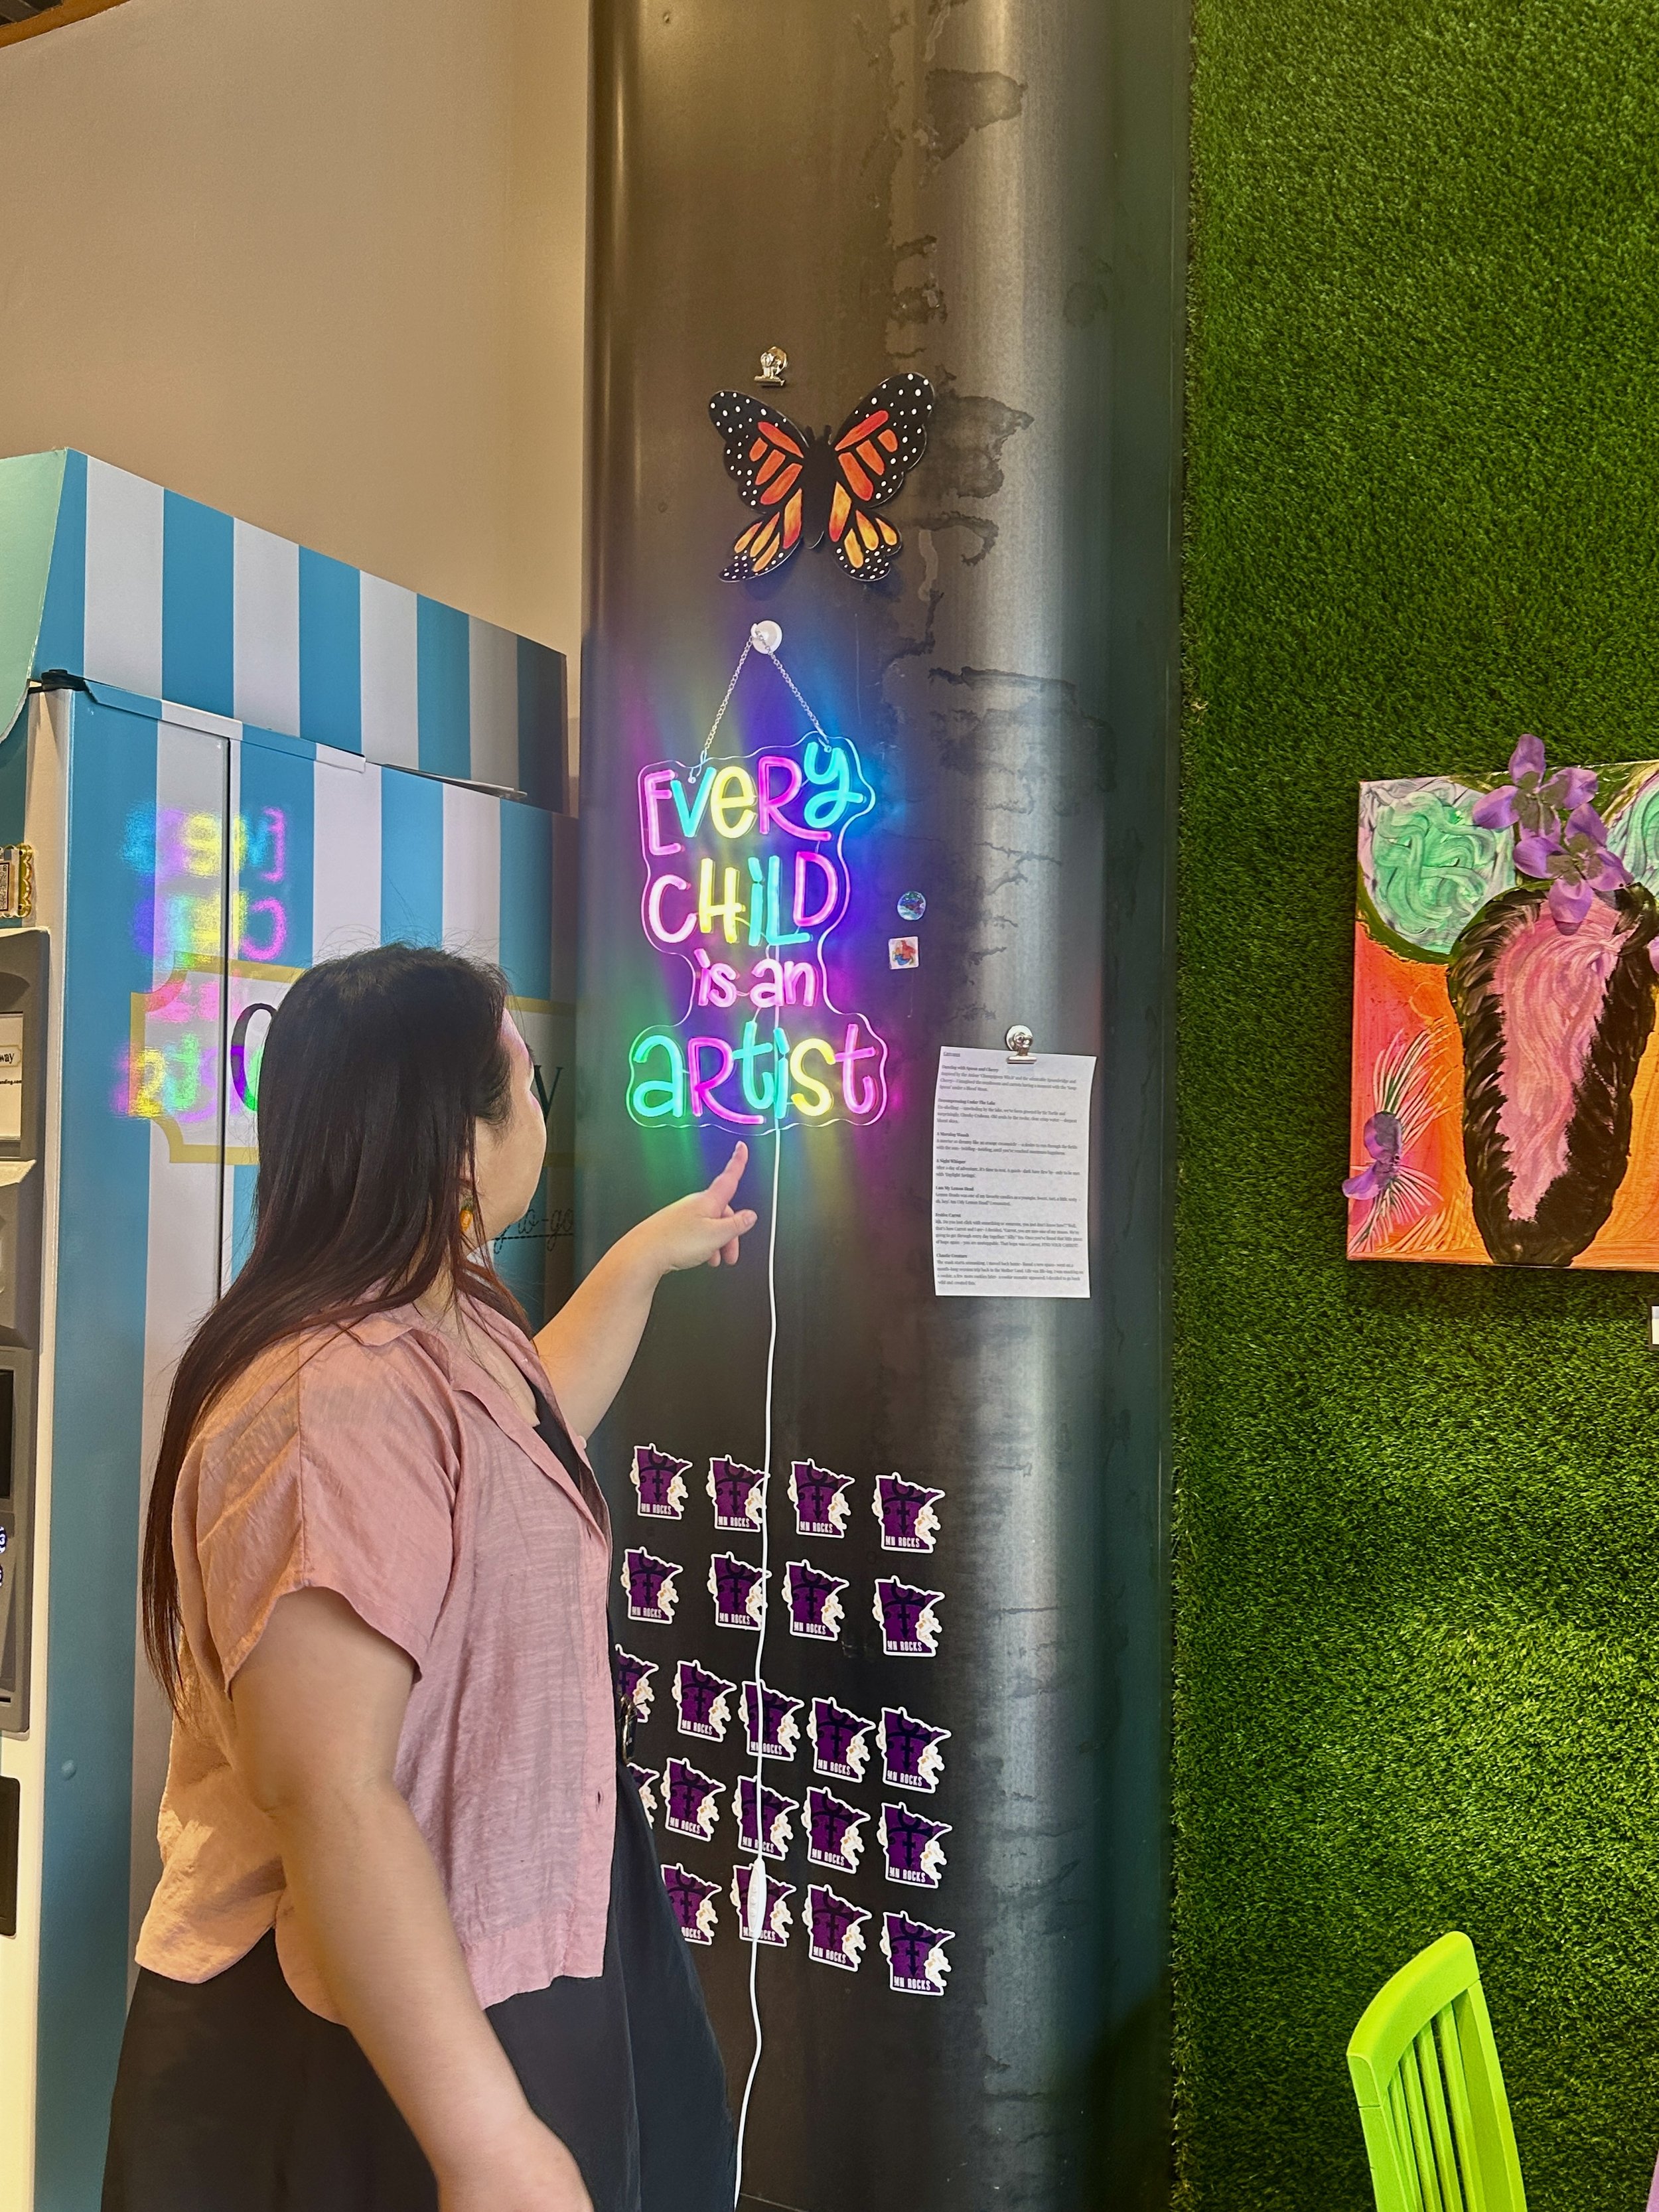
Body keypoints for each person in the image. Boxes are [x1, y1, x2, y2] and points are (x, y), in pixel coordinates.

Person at [102, 944, 755, 2212]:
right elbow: (330, 1789)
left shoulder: (449, 1309)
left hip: (502, 1952)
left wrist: (641, 1259)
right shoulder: (329, 1400)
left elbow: (517, 1439)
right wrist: (484, 2138)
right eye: (523, 1074)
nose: (542, 1100)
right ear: (460, 1148)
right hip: (358, 2031)